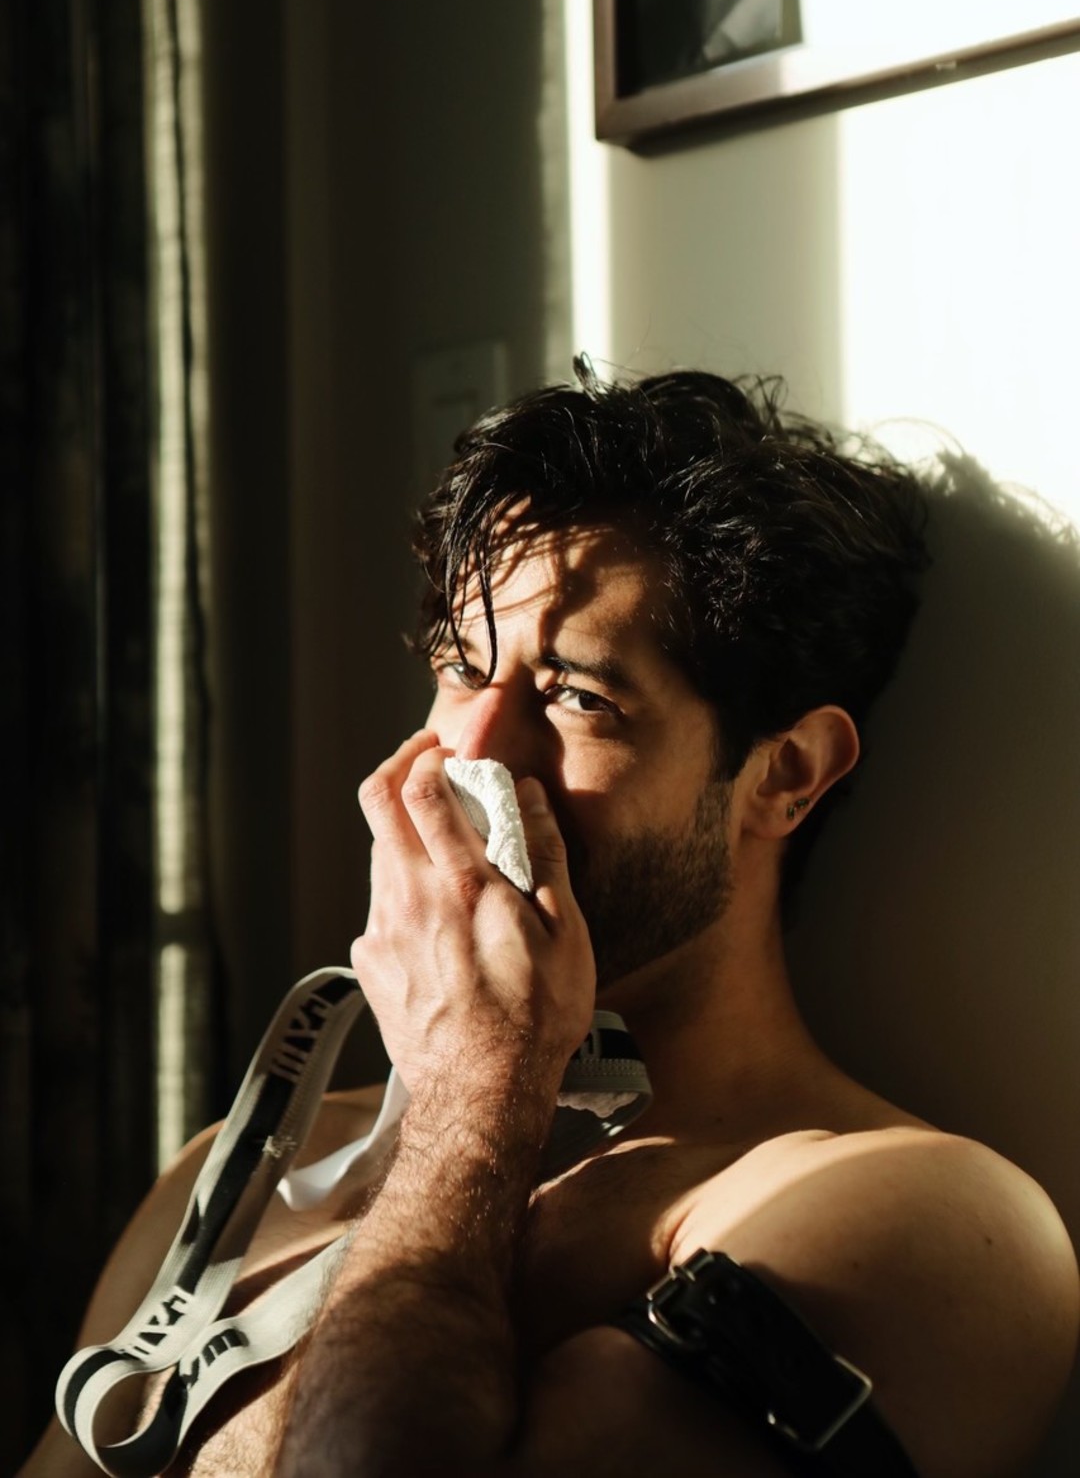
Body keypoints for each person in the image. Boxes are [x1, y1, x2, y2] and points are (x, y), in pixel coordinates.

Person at [23, 366, 1078, 1477]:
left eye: (579, 695)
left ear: (788, 774)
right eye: (459, 667)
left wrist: (476, 1093)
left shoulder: (926, 1217)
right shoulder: (242, 1171)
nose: (472, 751)